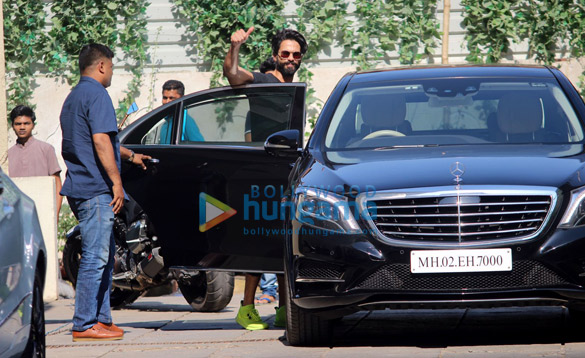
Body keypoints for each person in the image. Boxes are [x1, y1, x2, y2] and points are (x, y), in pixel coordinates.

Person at [60, 43, 150, 342]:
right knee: (96, 257)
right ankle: (84, 323)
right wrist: (116, 183)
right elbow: (100, 141)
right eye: (111, 66)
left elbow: (97, 142)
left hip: (80, 186)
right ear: (101, 66)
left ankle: (101, 318)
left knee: (105, 254)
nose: (112, 72)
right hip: (95, 188)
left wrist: (130, 155)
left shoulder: (74, 97)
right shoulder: (97, 94)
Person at [223, 27, 307, 330]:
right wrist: (235, 47)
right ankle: (246, 308)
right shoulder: (263, 82)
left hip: (287, 174)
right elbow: (232, 75)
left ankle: (285, 308)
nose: (290, 58)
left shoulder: (296, 90)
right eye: (285, 53)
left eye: (296, 54)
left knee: (283, 242)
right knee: (259, 242)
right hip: (261, 173)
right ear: (275, 56)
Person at [7, 105, 63, 217]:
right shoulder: (7, 156)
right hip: (16, 216)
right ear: (12, 126)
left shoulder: (46, 149)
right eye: (18, 124)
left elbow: (57, 184)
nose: (22, 127)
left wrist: (54, 214)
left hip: (43, 211)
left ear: (33, 125)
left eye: (26, 123)